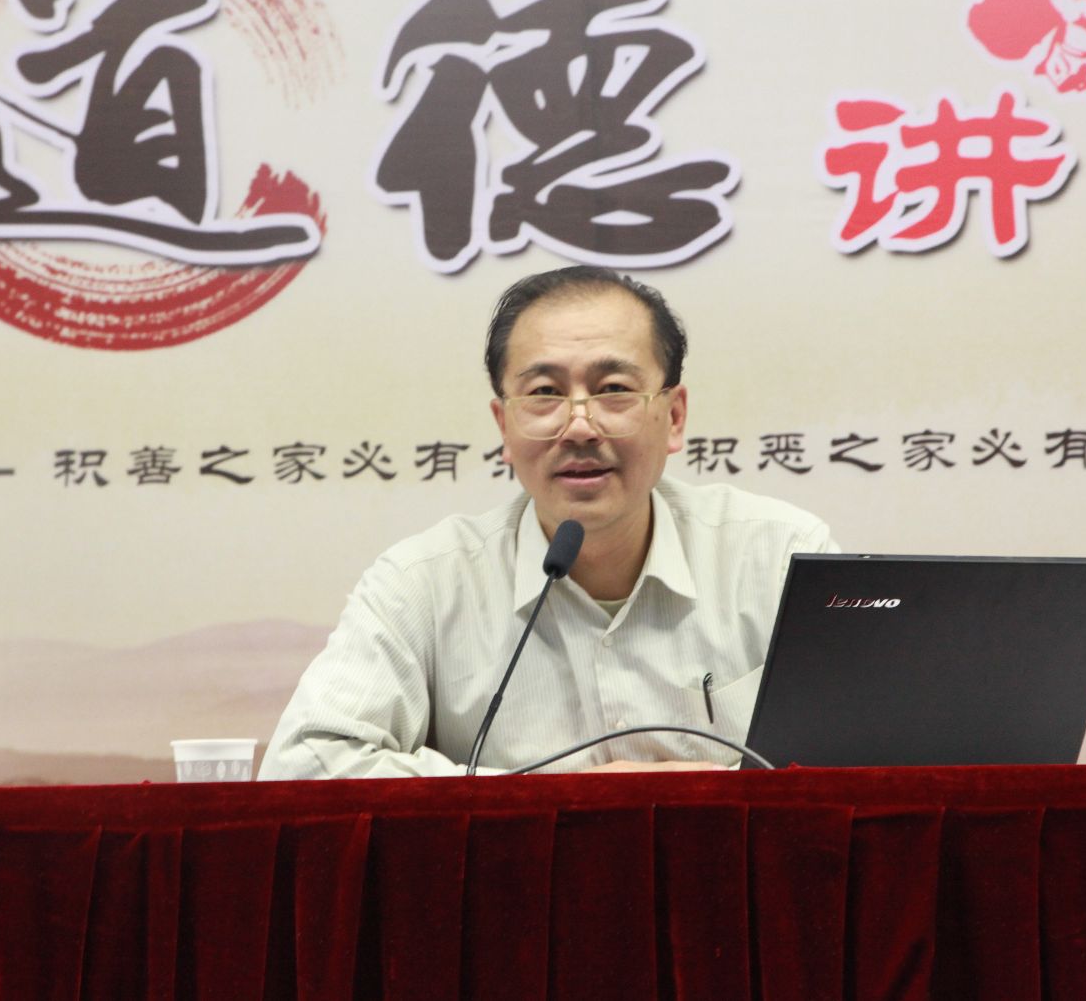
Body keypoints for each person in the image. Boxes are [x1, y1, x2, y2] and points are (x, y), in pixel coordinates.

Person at [259, 266, 838, 779]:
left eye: (613, 390)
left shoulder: (781, 556)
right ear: (504, 426)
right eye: (544, 393)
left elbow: (860, 757)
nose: (580, 426)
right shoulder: (423, 584)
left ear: (674, 416)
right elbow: (303, 765)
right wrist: (558, 797)